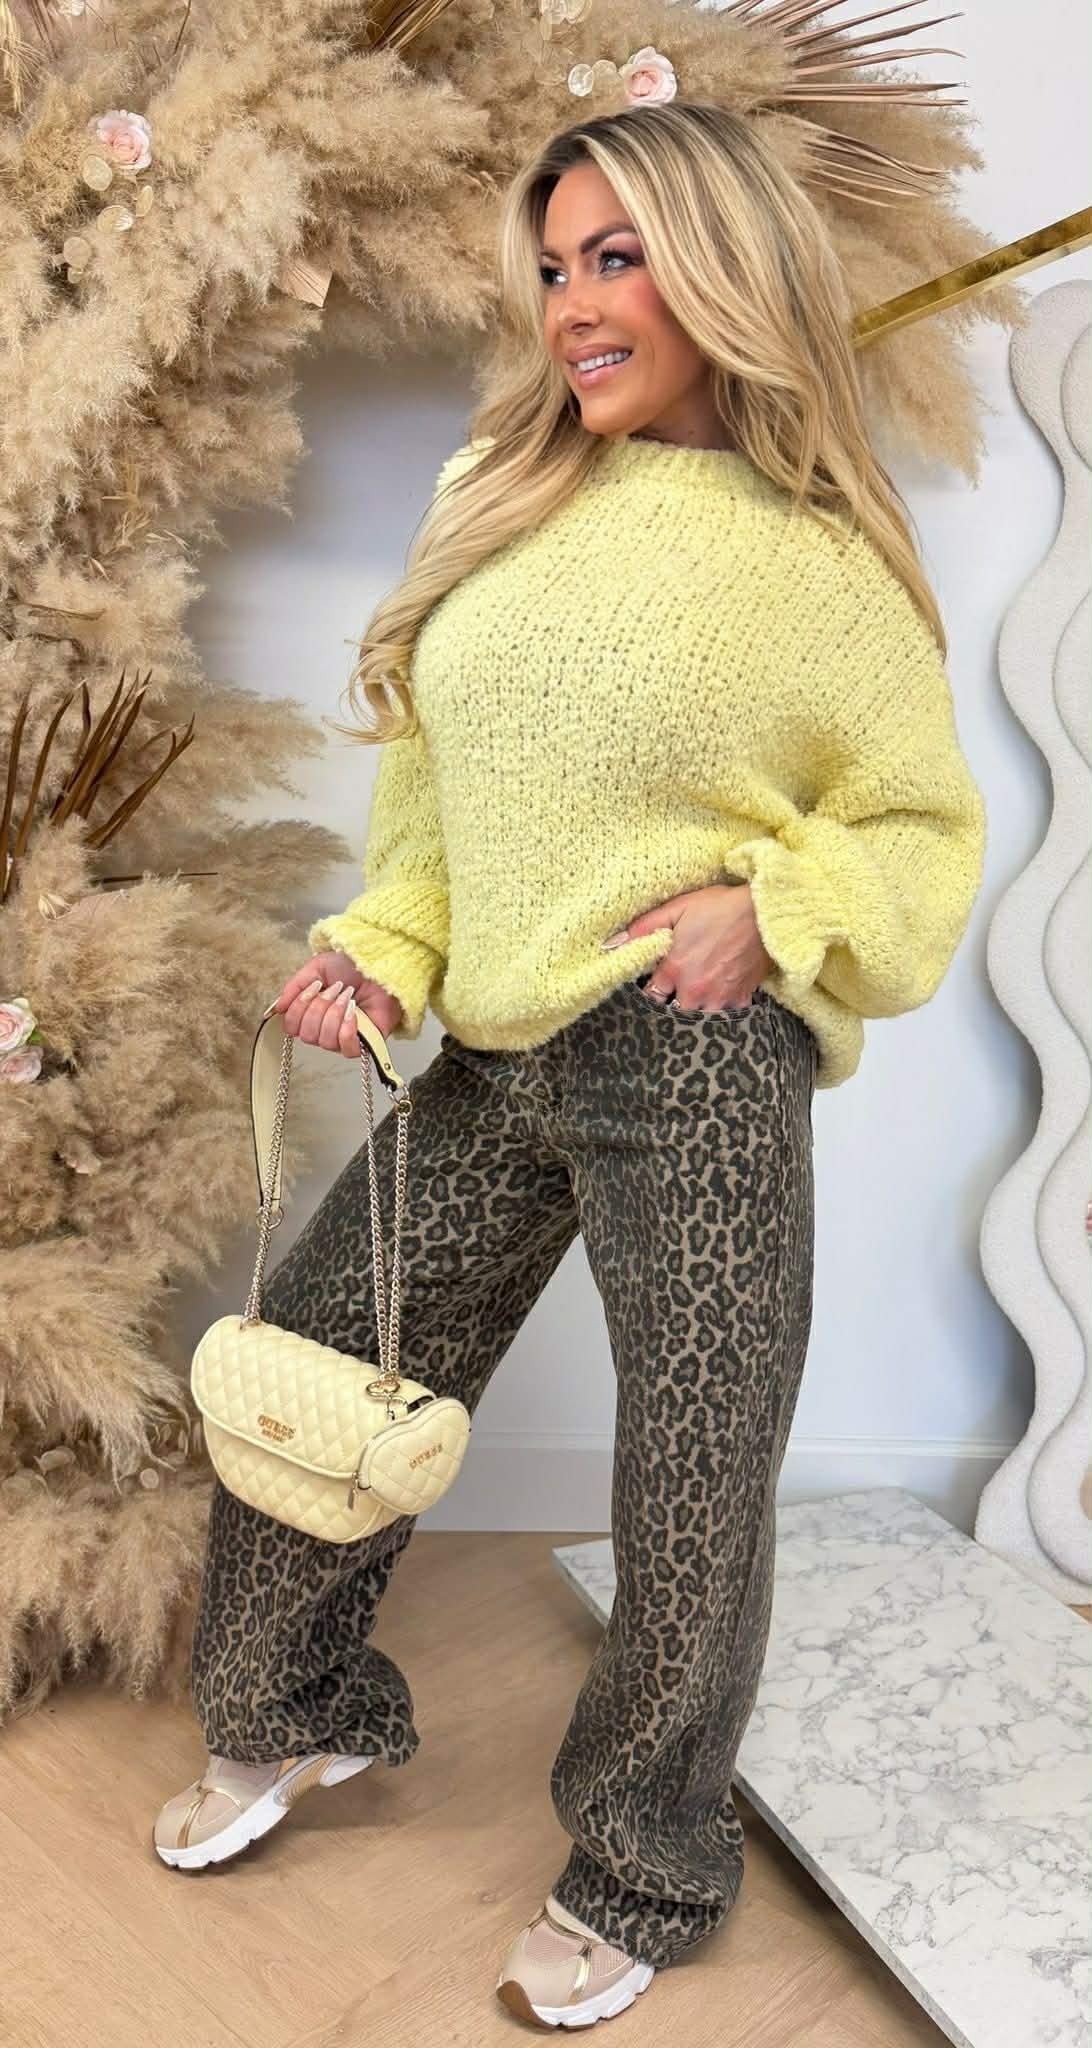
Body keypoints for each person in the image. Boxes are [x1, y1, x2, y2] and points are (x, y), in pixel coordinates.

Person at [154, 101, 986, 2030]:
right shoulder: (500, 492)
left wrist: (769, 911)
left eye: (618, 260)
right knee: (317, 1370)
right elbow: (433, 794)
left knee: (695, 1478)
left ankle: (643, 1865)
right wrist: (385, 950)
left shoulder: (821, 563)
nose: (574, 307)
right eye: (553, 267)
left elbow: (921, 828)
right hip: (497, 1036)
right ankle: (295, 1709)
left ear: (725, 272)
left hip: (694, 1058)